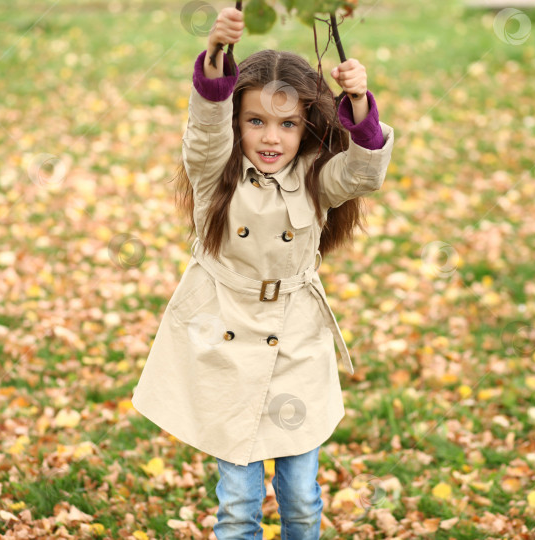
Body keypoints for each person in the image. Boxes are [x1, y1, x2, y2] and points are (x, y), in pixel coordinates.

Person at [130, 6, 394, 539]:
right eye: (256, 121)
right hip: (226, 344)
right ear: (237, 123)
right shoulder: (214, 173)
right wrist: (215, 56)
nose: (271, 137)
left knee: (301, 500)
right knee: (238, 505)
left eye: (287, 123)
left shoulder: (317, 178)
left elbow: (366, 171)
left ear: (307, 125)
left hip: (296, 343)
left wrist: (361, 103)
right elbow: (205, 130)